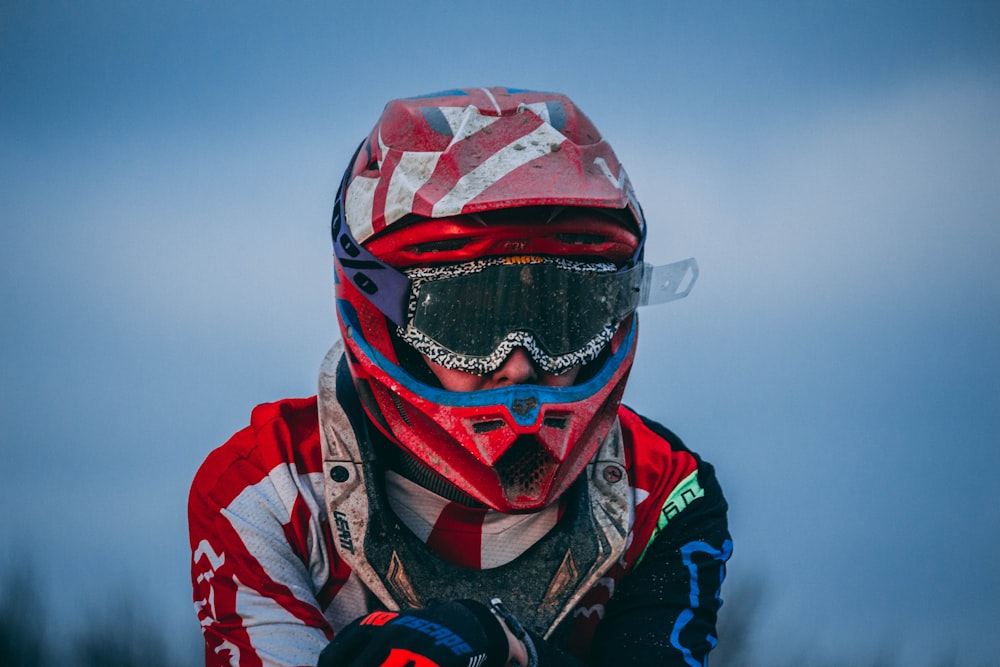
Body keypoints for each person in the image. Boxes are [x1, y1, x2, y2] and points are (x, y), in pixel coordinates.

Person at [189, 86, 732, 667]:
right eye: (470, 319)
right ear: (385, 317)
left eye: (563, 315)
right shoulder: (267, 491)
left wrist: (507, 650)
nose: (519, 362)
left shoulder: (662, 491)